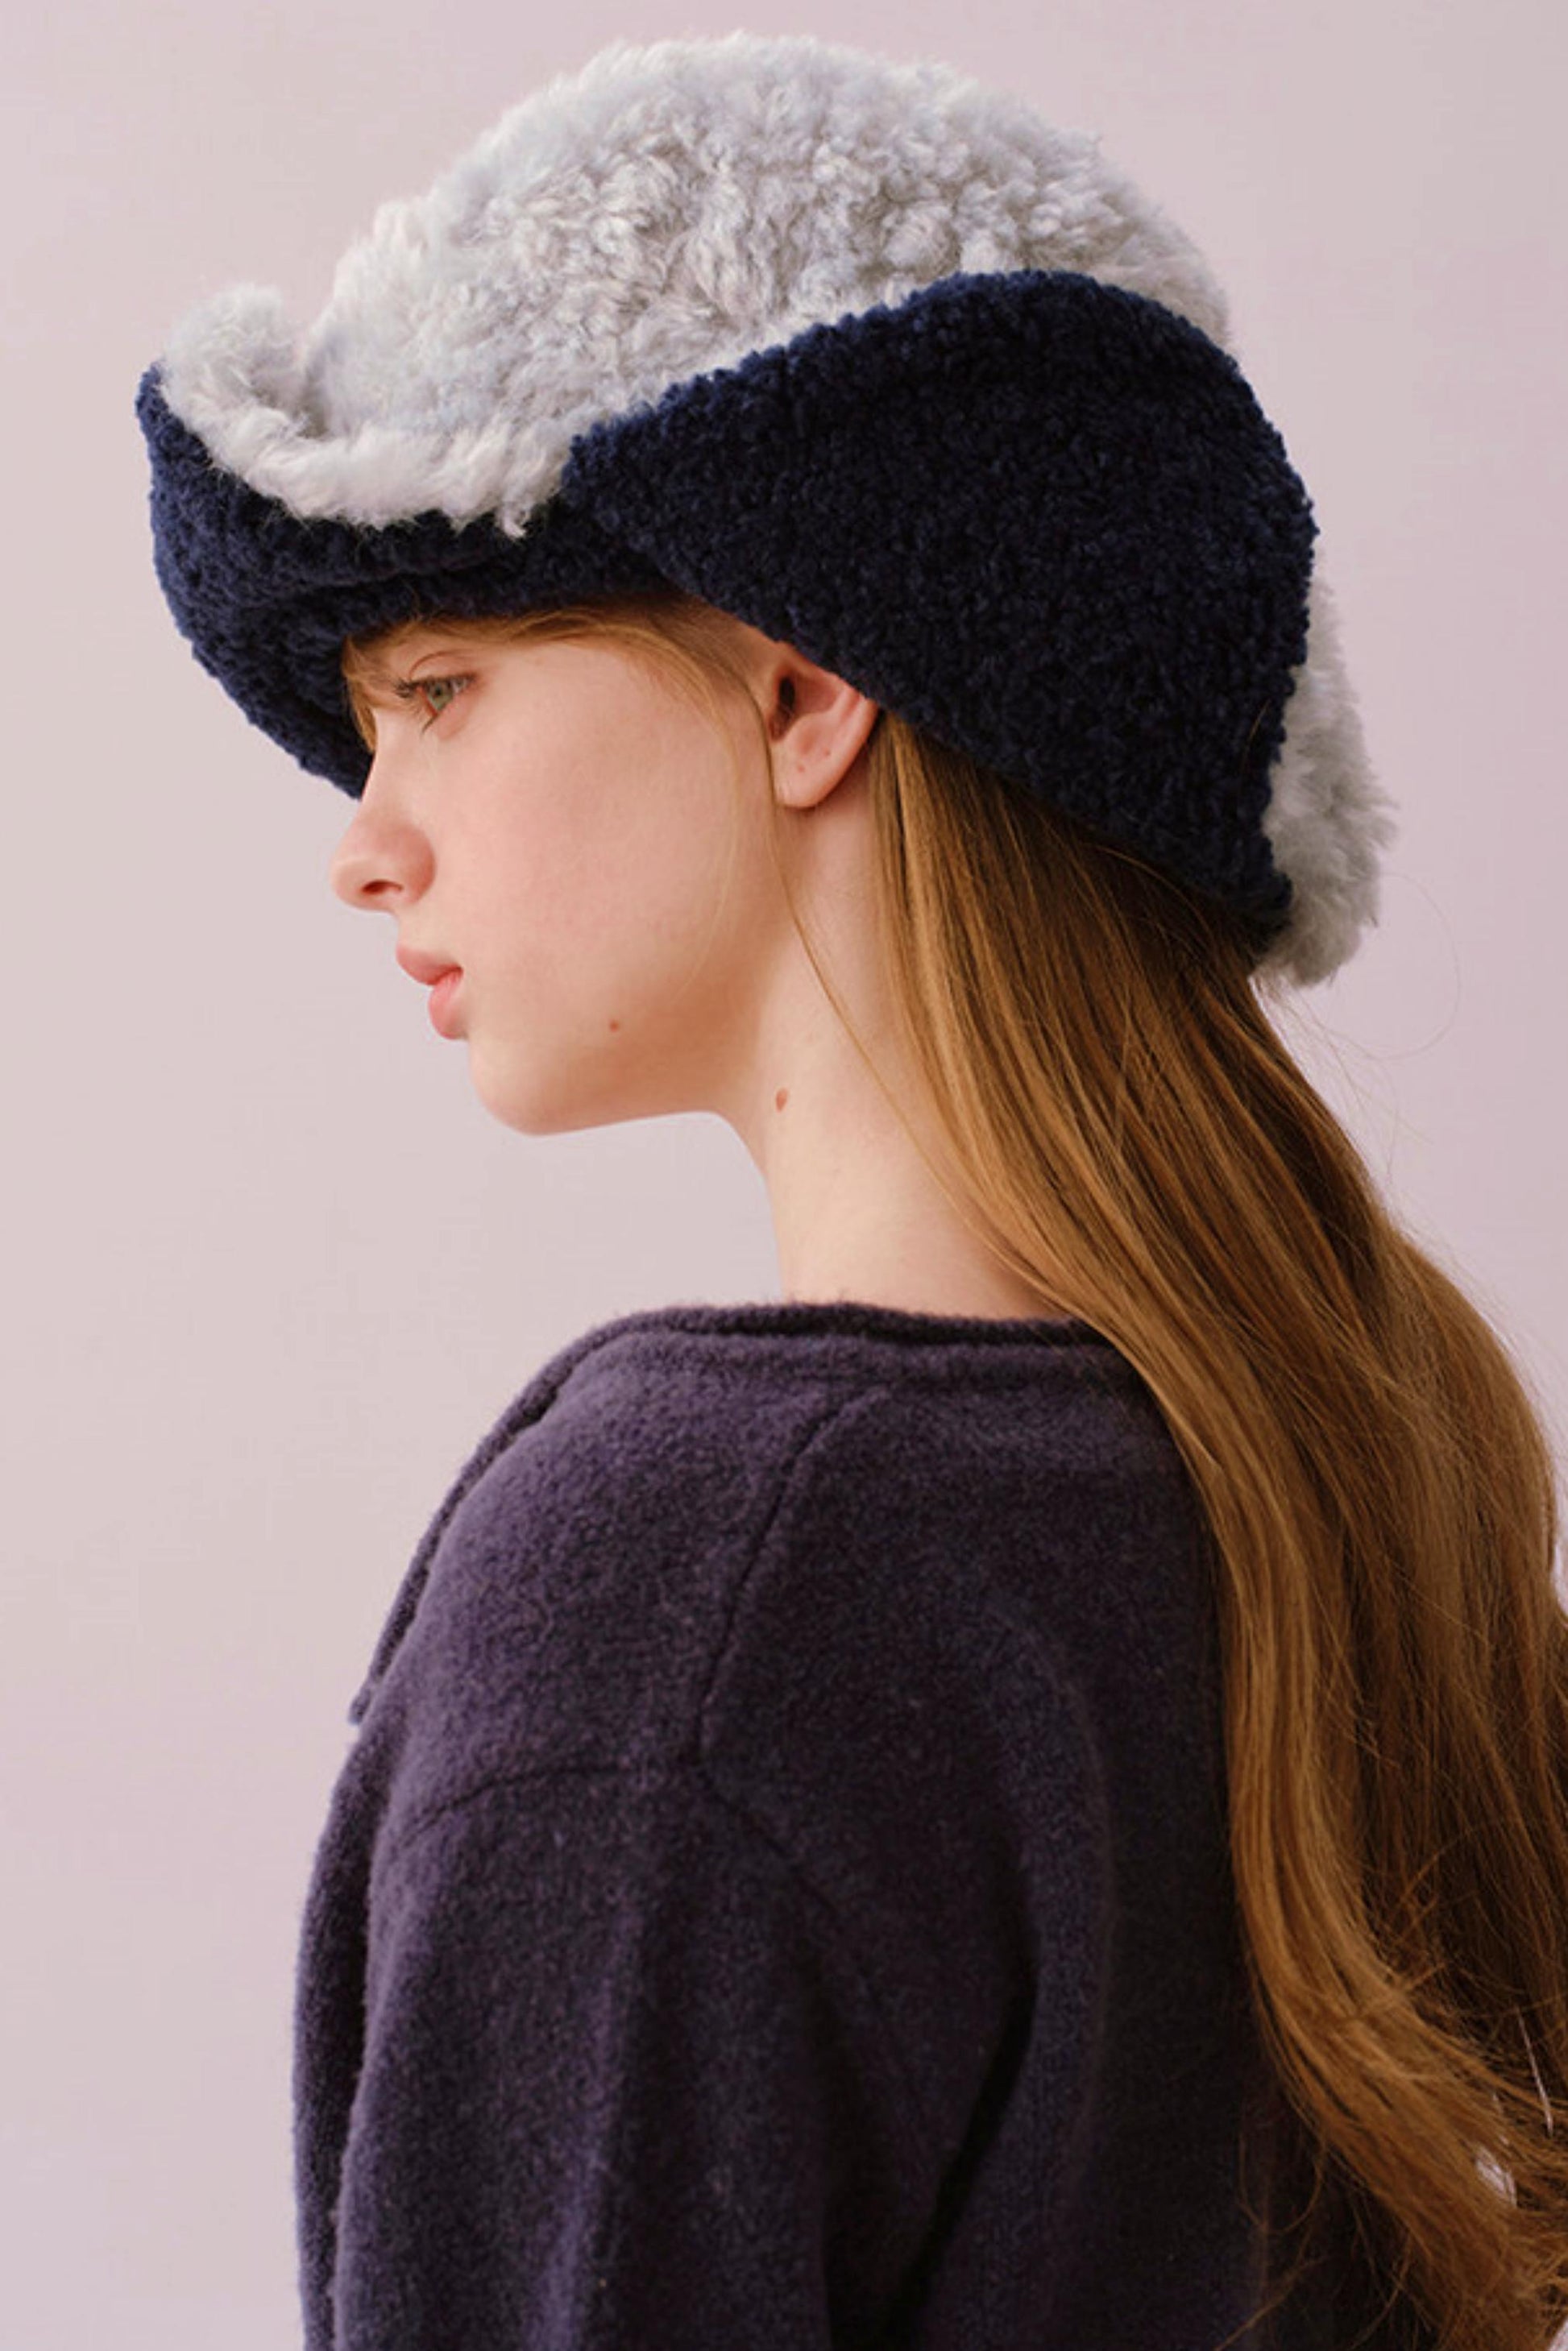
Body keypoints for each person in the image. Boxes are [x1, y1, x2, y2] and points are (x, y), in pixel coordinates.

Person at [135, 31, 1568, 2351]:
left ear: (806, 693)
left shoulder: (691, 1589)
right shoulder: (1369, 1471)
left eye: (441, 689)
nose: (364, 842)